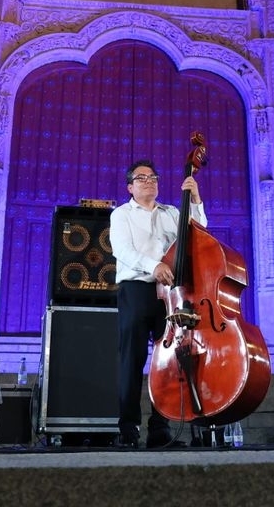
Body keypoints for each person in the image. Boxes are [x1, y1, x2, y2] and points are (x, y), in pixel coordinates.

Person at [109, 159, 204, 449]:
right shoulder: (121, 214)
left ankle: (159, 428)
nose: (149, 181)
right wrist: (153, 265)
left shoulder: (173, 213)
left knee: (168, 362)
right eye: (141, 178)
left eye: (153, 177)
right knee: (132, 360)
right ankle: (127, 429)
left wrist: (196, 201)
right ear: (130, 186)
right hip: (136, 290)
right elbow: (122, 249)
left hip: (170, 293)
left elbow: (199, 236)